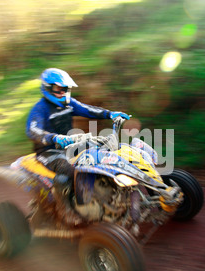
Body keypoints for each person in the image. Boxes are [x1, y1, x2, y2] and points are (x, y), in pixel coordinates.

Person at [25, 68, 129, 218]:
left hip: (70, 145)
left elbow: (87, 110)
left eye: (65, 88)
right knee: (73, 172)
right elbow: (33, 130)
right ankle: (65, 209)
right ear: (47, 88)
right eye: (58, 88)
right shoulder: (40, 109)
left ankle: (110, 191)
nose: (62, 91)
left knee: (104, 153)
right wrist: (54, 138)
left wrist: (110, 114)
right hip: (48, 152)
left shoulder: (69, 103)